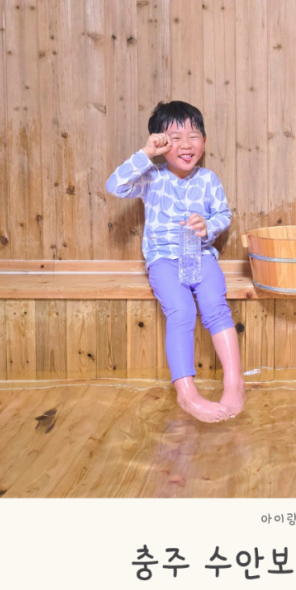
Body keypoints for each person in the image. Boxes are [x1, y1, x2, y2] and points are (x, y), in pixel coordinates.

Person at [106, 101, 245, 422]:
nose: (186, 144)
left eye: (194, 136)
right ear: (161, 142)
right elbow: (115, 186)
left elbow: (223, 214)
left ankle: (234, 382)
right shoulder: (151, 176)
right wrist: (145, 153)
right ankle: (186, 392)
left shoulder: (208, 179)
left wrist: (208, 226)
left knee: (215, 305)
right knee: (181, 311)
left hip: (198, 254)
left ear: (204, 141)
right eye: (175, 138)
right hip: (164, 260)